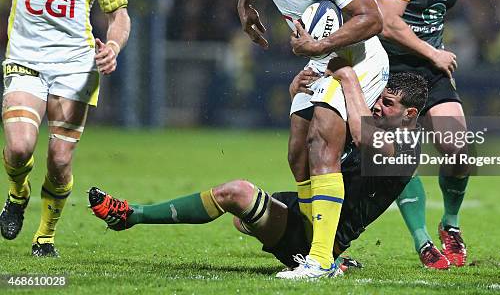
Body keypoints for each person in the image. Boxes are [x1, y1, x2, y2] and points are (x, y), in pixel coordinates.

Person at [88, 63, 427, 279]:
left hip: (323, 232)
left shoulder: (407, 150)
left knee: (235, 193)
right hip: (304, 209)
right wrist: (302, 96)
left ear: (410, 114)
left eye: (388, 103)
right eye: (379, 99)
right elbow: (311, 148)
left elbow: (361, 135)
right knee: (240, 217)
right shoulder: (383, 128)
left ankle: (131, 215)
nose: (378, 106)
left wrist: (349, 80)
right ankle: (316, 258)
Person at [237, 0, 389, 277]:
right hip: (321, 58)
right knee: (297, 155)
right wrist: (245, 4)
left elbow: (374, 17)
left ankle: (321, 259)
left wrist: (319, 46)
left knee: (322, 143)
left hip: (359, 59)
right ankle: (311, 251)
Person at [0, 0, 130, 257]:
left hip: (76, 66)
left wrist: (115, 46)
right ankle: (18, 194)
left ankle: (45, 238)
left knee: (59, 159)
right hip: (25, 59)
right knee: (21, 148)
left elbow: (119, 13)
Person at [374, 0, 474, 269]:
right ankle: (423, 243)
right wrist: (433, 53)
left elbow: (433, 16)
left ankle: (451, 224)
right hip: (390, 69)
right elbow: (387, 22)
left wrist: (433, 55)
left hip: (431, 71)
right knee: (397, 160)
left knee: (459, 151)